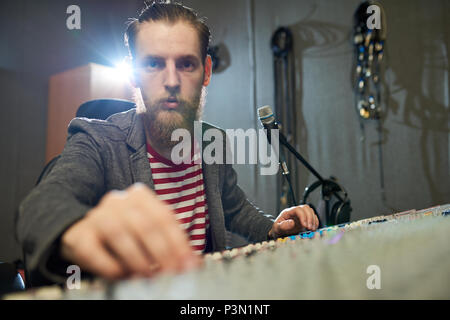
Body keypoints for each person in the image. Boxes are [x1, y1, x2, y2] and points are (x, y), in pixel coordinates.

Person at [16, 1, 318, 287]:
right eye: (153, 64)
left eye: (186, 64)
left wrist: (272, 227)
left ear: (207, 72)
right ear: (134, 72)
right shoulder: (98, 140)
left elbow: (234, 207)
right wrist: (79, 228)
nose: (171, 80)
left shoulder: (213, 142)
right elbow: (39, 207)